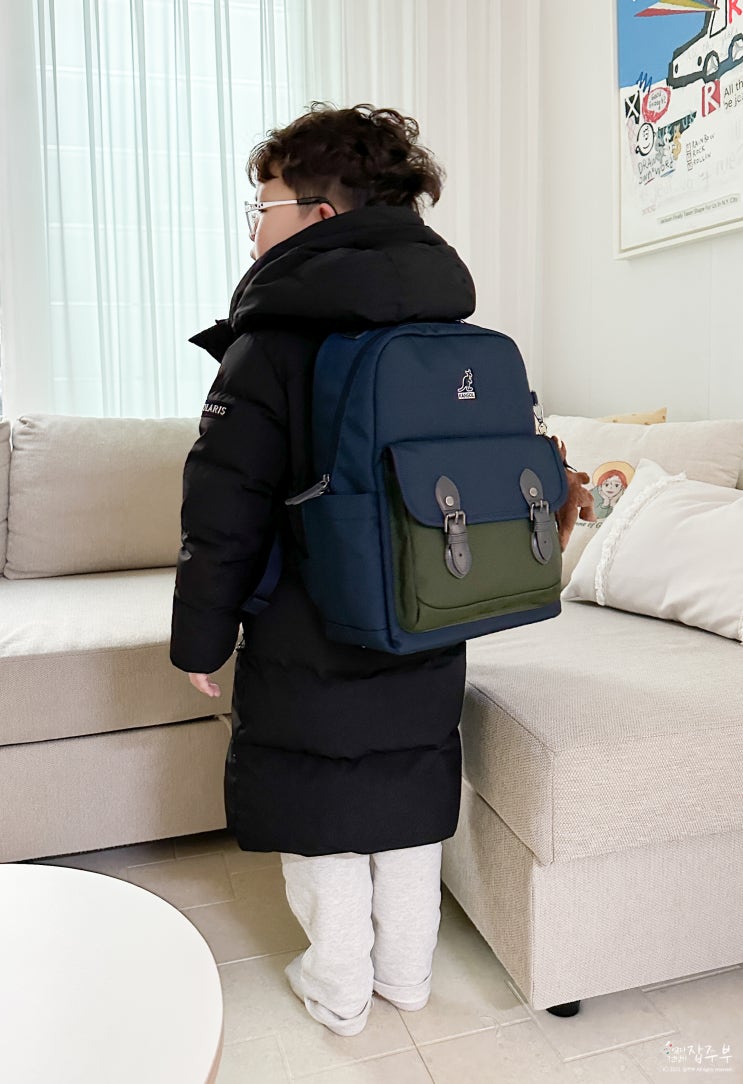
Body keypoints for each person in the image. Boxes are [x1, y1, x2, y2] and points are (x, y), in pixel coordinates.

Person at [169, 103, 475, 1037]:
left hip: (306, 622)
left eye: (261, 207)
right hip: (430, 613)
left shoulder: (271, 343)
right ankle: (407, 976)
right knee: (408, 788)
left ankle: (338, 987)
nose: (252, 228)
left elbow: (223, 508)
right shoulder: (449, 332)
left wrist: (201, 637)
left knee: (318, 799)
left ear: (319, 215)